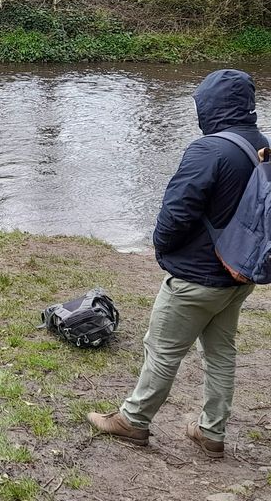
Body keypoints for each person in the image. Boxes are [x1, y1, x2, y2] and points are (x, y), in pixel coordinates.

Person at [87, 69, 266, 459]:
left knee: (162, 348)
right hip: (240, 272)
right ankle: (211, 432)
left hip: (198, 277)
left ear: (211, 105)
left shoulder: (208, 150)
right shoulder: (261, 145)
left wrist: (163, 249)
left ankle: (132, 420)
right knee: (221, 352)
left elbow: (176, 212)